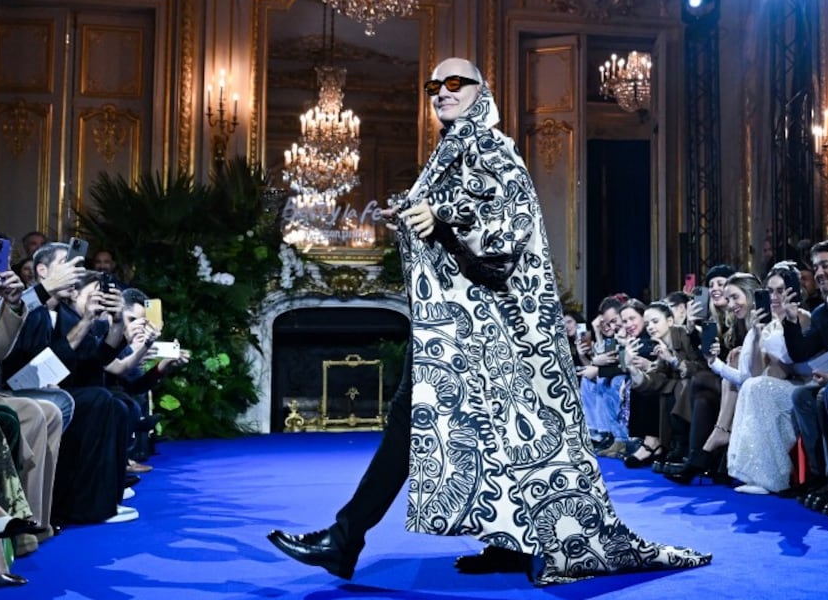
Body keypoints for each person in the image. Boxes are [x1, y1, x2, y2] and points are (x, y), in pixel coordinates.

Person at [267, 58, 710, 585]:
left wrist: (442, 218)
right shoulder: (452, 152)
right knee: (477, 432)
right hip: (456, 327)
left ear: (482, 91)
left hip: (486, 330)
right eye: (435, 86)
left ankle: (344, 541)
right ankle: (504, 545)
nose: (442, 93)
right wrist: (414, 217)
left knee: (416, 427)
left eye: (455, 84)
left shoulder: (491, 147)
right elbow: (460, 214)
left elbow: (507, 225)